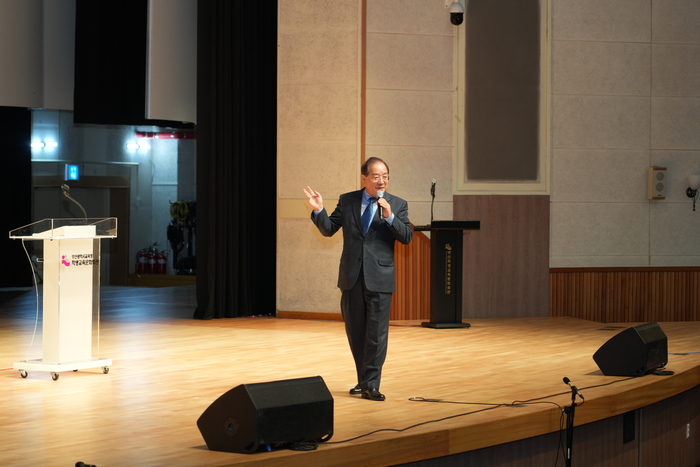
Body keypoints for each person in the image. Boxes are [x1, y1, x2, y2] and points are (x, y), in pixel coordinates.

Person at [303, 157, 412, 401]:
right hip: (352, 277)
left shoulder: (397, 204)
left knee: (376, 333)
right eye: (376, 176)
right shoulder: (347, 200)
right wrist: (318, 209)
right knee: (356, 331)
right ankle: (363, 381)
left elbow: (407, 237)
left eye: (385, 176)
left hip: (380, 278)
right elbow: (329, 229)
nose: (381, 180)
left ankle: (371, 384)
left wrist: (390, 216)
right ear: (364, 178)